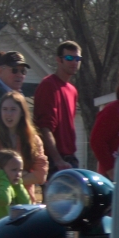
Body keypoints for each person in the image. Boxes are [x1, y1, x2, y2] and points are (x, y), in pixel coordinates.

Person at [0, 92, 48, 199]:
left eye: (13, 109)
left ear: (22, 112)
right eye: (5, 109)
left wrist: (9, 175)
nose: (8, 114)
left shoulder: (34, 140)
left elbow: (41, 175)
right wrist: (24, 175)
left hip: (26, 201)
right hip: (2, 201)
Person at [34, 41, 81, 176]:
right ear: (58, 60)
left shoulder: (72, 90)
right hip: (55, 161)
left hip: (70, 157)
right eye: (69, 58)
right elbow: (44, 127)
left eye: (77, 59)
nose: (74, 62)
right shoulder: (48, 85)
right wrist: (57, 160)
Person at [0, 149, 30, 226]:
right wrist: (1, 176)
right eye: (14, 170)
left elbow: (27, 205)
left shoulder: (14, 186)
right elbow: (4, 200)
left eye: (20, 170)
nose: (18, 174)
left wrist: (18, 185)